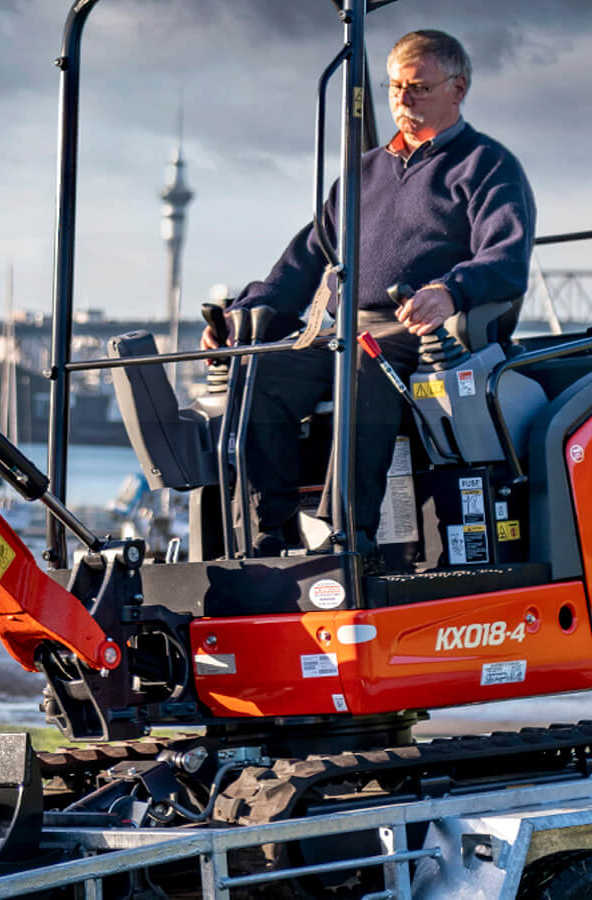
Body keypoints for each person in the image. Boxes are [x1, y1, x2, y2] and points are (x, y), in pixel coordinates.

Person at [210, 28, 535, 557]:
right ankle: (266, 537)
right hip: (344, 328)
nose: (403, 100)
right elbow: (299, 265)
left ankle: (345, 540)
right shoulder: (362, 174)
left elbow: (506, 258)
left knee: (360, 366)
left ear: (459, 87)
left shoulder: (487, 166)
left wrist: (450, 291)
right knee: (260, 372)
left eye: (419, 87)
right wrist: (240, 318)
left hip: (417, 329)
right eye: (394, 87)